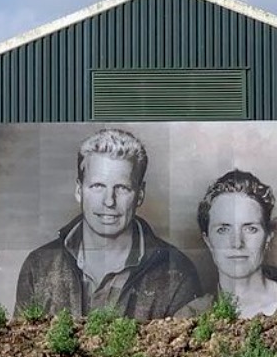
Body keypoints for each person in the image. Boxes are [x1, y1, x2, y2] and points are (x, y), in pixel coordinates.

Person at [15, 128, 201, 319]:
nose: (109, 201)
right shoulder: (38, 266)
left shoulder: (177, 273)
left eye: (122, 188)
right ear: (79, 191)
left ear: (140, 194)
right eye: (97, 186)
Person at [175, 169, 277, 318]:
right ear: (207, 240)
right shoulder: (188, 318)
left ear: (269, 236)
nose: (237, 243)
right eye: (223, 229)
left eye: (250, 229)